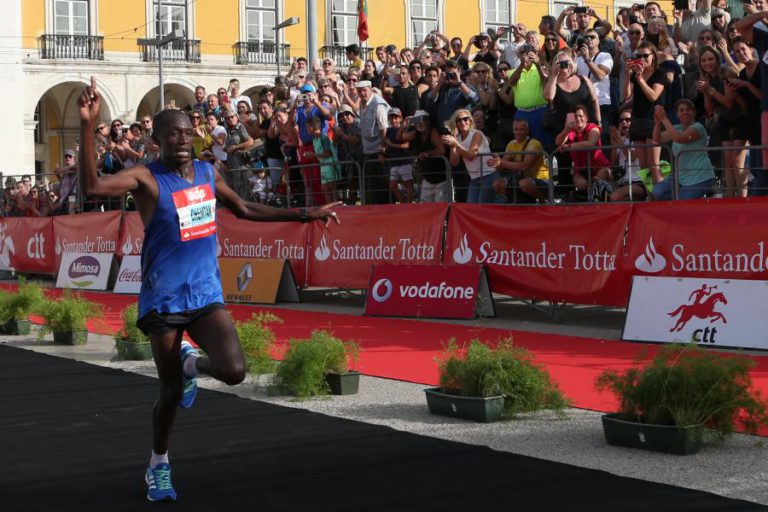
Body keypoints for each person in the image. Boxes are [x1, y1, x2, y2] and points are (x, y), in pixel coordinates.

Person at [76, 77, 340, 503]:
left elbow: (245, 208)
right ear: (157, 139)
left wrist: (307, 213)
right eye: (172, 133)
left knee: (234, 371)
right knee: (169, 394)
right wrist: (88, 126)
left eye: (187, 132)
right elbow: (91, 188)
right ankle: (158, 464)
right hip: (163, 299)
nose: (182, 139)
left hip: (204, 294)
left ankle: (191, 366)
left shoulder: (205, 172)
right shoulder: (146, 177)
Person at [651, 101, 715, 200]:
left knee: (682, 200)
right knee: (657, 192)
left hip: (700, 177)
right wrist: (657, 123)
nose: (685, 112)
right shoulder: (677, 128)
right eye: (681, 110)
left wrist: (664, 118)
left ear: (693, 113)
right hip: (681, 177)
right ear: (677, 114)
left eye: (688, 109)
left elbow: (679, 138)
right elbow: (657, 139)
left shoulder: (698, 128)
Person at [487, 118, 550, 203]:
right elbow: (501, 166)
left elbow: (524, 166)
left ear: (527, 131)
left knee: (524, 183)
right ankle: (513, 201)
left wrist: (501, 162)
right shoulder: (511, 144)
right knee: (497, 183)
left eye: (521, 129)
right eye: (516, 129)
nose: (518, 132)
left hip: (541, 180)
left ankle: (544, 202)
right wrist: (494, 163)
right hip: (521, 180)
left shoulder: (534, 144)